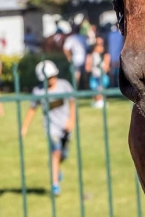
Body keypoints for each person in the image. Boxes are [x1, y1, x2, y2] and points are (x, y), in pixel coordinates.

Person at [21, 60, 75, 197]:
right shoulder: (38, 91)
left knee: (63, 155)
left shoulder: (64, 86)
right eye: (48, 78)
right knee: (56, 152)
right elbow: (32, 109)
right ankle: (55, 185)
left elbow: (72, 102)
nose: (52, 80)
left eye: (53, 76)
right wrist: (25, 127)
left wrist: (71, 120)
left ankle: (55, 169)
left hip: (65, 126)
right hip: (51, 128)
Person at [85, 37, 110, 108]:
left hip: (102, 75)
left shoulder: (105, 55)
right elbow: (88, 67)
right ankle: (97, 102)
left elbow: (107, 67)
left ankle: (100, 102)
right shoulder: (91, 55)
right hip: (94, 75)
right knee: (95, 89)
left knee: (101, 88)